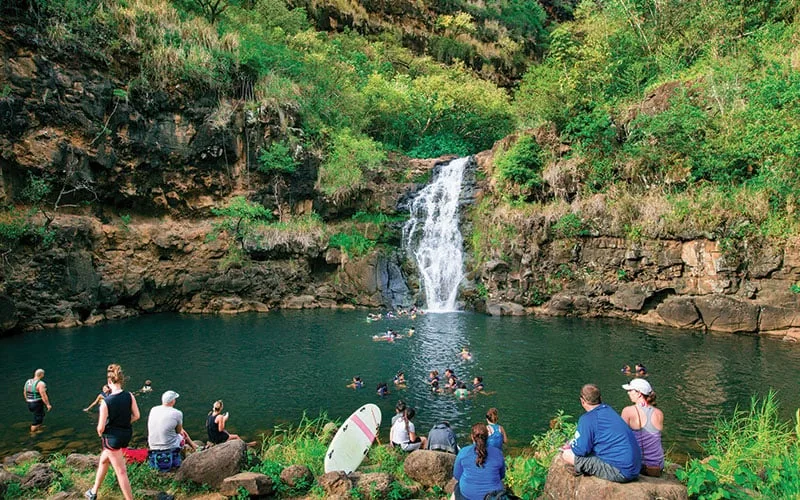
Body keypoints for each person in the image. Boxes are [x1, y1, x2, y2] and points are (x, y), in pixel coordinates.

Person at [561, 384, 640, 483]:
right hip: (635, 467)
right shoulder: (609, 410)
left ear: (582, 401)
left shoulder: (587, 419)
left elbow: (581, 451)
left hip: (621, 471)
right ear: (600, 398)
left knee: (567, 455)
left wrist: (571, 446)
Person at [85, 364, 140, 500]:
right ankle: (93, 491)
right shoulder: (130, 396)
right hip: (126, 434)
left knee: (121, 471)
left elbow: (100, 428)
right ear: (121, 380)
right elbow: (137, 416)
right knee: (104, 461)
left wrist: (101, 433)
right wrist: (124, 423)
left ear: (109, 382)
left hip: (112, 439)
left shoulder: (105, 402)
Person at [620, 378, 665, 477]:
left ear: (639, 393)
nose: (628, 393)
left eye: (630, 390)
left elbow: (621, 438)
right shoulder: (659, 413)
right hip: (658, 465)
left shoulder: (628, 411)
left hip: (642, 467)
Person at [452, 423, 506, 500]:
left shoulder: (463, 452)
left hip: (467, 496)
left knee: (457, 487)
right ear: (488, 436)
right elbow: (502, 475)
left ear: (472, 437)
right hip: (493, 496)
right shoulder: (498, 453)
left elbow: (457, 475)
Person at [147, 390, 197, 471]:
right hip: (169, 446)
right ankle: (189, 452)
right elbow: (178, 431)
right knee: (182, 434)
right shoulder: (177, 413)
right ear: (172, 401)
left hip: (152, 445)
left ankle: (194, 446)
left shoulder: (153, 409)